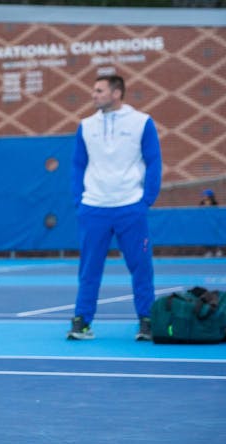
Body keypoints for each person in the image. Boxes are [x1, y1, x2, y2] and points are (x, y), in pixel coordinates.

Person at [67, 74, 162, 342]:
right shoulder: (86, 126)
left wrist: (146, 200)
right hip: (93, 208)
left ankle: (146, 320)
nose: (94, 95)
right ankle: (82, 321)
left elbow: (154, 161)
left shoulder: (141, 122)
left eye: (99, 90)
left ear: (117, 92)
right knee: (89, 269)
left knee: (141, 267)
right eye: (94, 90)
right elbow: (77, 164)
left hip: (130, 207)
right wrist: (79, 200)